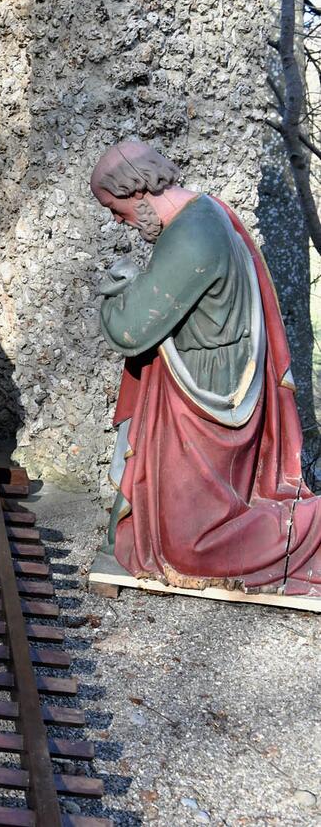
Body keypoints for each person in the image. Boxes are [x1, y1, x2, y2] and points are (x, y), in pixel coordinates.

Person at [93, 141, 321, 596]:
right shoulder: (206, 210)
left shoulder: (192, 235)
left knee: (191, 548)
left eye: (115, 209)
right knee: (166, 525)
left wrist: (120, 286)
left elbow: (129, 329)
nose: (117, 220)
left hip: (205, 397)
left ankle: (310, 529)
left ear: (137, 191)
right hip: (200, 383)